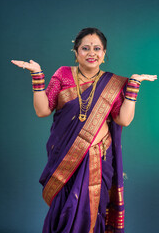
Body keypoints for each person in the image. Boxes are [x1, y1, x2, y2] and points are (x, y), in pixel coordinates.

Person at [11, 28, 157, 233]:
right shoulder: (63, 74)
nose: (91, 53)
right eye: (85, 48)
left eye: (97, 48)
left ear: (104, 54)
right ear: (76, 52)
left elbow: (123, 119)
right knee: (64, 210)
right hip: (63, 159)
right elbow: (43, 110)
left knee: (91, 211)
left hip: (97, 161)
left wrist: (133, 85)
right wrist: (37, 74)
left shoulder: (113, 84)